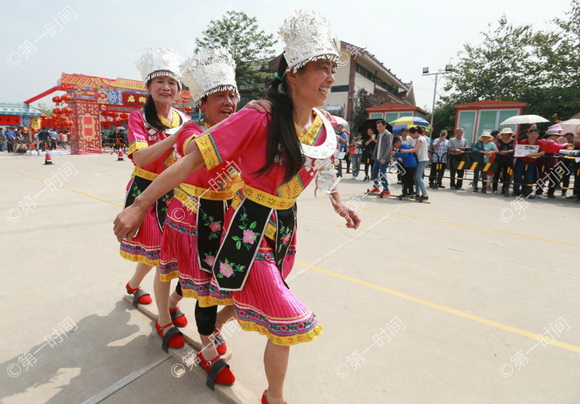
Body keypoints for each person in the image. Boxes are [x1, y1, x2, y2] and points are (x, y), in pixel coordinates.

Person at [114, 11, 360, 404]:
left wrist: (339, 204)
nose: (330, 77)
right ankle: (271, 395)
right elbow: (191, 160)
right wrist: (140, 205)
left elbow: (324, 165)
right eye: (322, 68)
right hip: (245, 227)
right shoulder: (258, 116)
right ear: (293, 73)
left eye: (333, 69)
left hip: (284, 229)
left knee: (234, 295)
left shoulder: (322, 124)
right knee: (281, 313)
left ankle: (201, 328)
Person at [158, 48, 242, 378]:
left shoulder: (241, 127)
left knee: (213, 279)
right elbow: (194, 150)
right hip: (194, 215)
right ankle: (207, 346)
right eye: (219, 96)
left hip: (230, 214)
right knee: (206, 284)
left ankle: (176, 302)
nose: (228, 102)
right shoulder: (192, 130)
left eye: (232, 95)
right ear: (202, 104)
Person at [120, 48, 189, 348]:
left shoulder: (184, 118)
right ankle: (163, 319)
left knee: (161, 255)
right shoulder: (138, 118)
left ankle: (134, 285)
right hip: (146, 194)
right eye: (159, 81)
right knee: (161, 256)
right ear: (148, 87)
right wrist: (176, 136)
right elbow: (142, 158)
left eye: (171, 82)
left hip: (175, 196)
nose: (166, 87)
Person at [535, 129, 570, 199]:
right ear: (552, 136)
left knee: (552, 177)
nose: (557, 137)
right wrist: (565, 144)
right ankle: (539, 193)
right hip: (547, 160)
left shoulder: (545, 141)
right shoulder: (548, 141)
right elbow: (558, 147)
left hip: (552, 160)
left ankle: (549, 192)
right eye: (556, 136)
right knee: (544, 177)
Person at [513, 128, 545, 198]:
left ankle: (527, 192)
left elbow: (542, 152)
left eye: (535, 134)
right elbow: (517, 150)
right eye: (531, 134)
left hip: (531, 162)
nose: (533, 136)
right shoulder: (522, 141)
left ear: (538, 135)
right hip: (521, 161)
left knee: (529, 177)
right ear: (528, 134)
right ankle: (516, 191)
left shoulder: (540, 143)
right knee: (518, 176)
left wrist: (533, 155)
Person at [401, 126, 429, 201]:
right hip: (419, 160)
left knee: (418, 177)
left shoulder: (421, 139)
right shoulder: (417, 139)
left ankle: (425, 195)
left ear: (416, 133)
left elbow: (415, 149)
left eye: (411, 134)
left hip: (423, 160)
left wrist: (405, 151)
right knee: (416, 178)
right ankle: (417, 193)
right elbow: (413, 147)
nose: (411, 136)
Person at [369, 119, 393, 196]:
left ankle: (386, 189)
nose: (379, 128)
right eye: (377, 127)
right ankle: (376, 187)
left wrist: (384, 158)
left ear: (384, 125)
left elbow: (389, 148)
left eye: (380, 126)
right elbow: (377, 146)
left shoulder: (388, 135)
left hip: (384, 159)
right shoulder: (379, 134)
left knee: (382, 174)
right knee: (374, 173)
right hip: (378, 158)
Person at [493, 127, 516, 195]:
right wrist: (499, 152)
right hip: (499, 158)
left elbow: (515, 149)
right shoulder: (498, 141)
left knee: (507, 174)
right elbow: (494, 147)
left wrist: (507, 151)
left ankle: (505, 189)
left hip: (509, 159)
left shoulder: (514, 141)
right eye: (504, 134)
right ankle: (494, 188)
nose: (505, 135)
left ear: (510, 134)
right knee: (496, 173)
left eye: (507, 134)